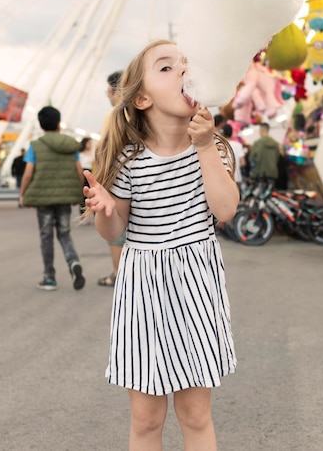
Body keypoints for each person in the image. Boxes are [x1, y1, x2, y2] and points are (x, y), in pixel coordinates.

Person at [83, 40, 239, 450]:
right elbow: (114, 231)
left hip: (196, 286)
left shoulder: (214, 148)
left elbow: (224, 210)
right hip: (141, 289)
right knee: (146, 420)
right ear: (141, 98)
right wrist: (105, 208)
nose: (184, 71)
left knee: (195, 416)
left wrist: (205, 145)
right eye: (167, 67)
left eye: (186, 64)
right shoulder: (127, 158)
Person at [19, 106, 86, 292]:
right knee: (64, 233)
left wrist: (22, 194)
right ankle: (73, 263)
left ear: (41, 125)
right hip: (65, 198)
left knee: (46, 236)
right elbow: (80, 171)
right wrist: (82, 191)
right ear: (58, 123)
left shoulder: (36, 145)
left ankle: (49, 277)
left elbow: (27, 174)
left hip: (43, 200)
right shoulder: (70, 144)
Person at [97, 69, 126, 287]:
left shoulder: (115, 115)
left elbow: (105, 149)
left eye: (109, 91)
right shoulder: (141, 111)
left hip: (119, 180)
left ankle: (118, 274)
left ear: (117, 91)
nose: (108, 96)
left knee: (116, 233)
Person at [221, 124, 246, 189]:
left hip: (224, 179)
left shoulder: (220, 145)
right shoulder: (238, 145)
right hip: (236, 178)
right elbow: (243, 163)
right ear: (232, 133)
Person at [78, 136, 94, 217]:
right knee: (83, 195)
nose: (90, 145)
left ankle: (93, 213)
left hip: (92, 174)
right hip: (83, 174)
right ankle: (82, 214)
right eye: (89, 143)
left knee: (92, 194)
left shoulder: (93, 154)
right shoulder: (80, 154)